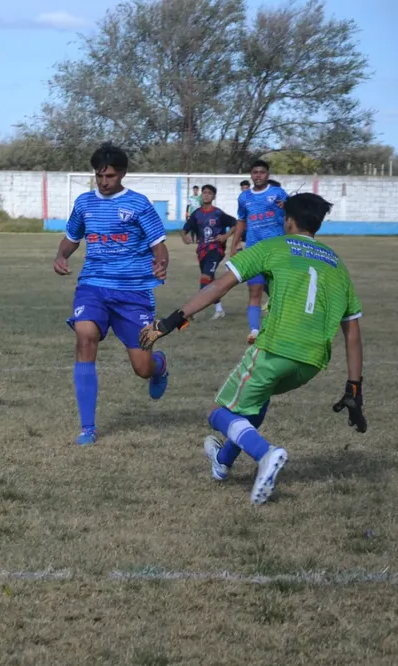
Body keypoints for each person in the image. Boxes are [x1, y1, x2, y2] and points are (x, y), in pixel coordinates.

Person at [139, 193, 365, 505]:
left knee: (218, 412)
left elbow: (218, 286)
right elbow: (352, 330)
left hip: (275, 348)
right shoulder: (336, 263)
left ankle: (266, 454)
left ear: (288, 220)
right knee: (254, 405)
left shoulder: (273, 247)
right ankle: (222, 462)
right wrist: (354, 387)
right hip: (312, 362)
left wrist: (169, 322)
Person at [54, 142, 170, 446]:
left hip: (134, 292)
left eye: (110, 176)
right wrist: (61, 256)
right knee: (84, 335)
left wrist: (161, 264)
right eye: (99, 176)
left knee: (142, 368)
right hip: (93, 285)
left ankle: (160, 367)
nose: (104, 182)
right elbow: (71, 238)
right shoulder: (83, 203)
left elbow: (159, 244)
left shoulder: (139, 204)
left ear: (123, 174)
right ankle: (87, 428)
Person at [229, 160, 288, 343]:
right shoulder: (244, 197)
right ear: (251, 175)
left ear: (267, 175)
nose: (258, 175)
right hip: (254, 251)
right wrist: (234, 244)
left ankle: (283, 326)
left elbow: (291, 216)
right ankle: (254, 331)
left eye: (262, 172)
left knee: (280, 292)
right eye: (255, 172)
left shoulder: (278, 193)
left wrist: (287, 208)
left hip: (277, 250)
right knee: (254, 291)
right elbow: (241, 221)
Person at [180, 184, 237, 320]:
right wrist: (185, 237)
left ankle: (191, 310)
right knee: (210, 281)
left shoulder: (218, 213)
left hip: (215, 250)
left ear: (214, 196)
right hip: (202, 251)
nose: (206, 195)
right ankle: (219, 309)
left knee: (205, 278)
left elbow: (235, 224)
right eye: (204, 192)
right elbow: (184, 229)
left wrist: (225, 236)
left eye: (209, 193)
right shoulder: (197, 214)